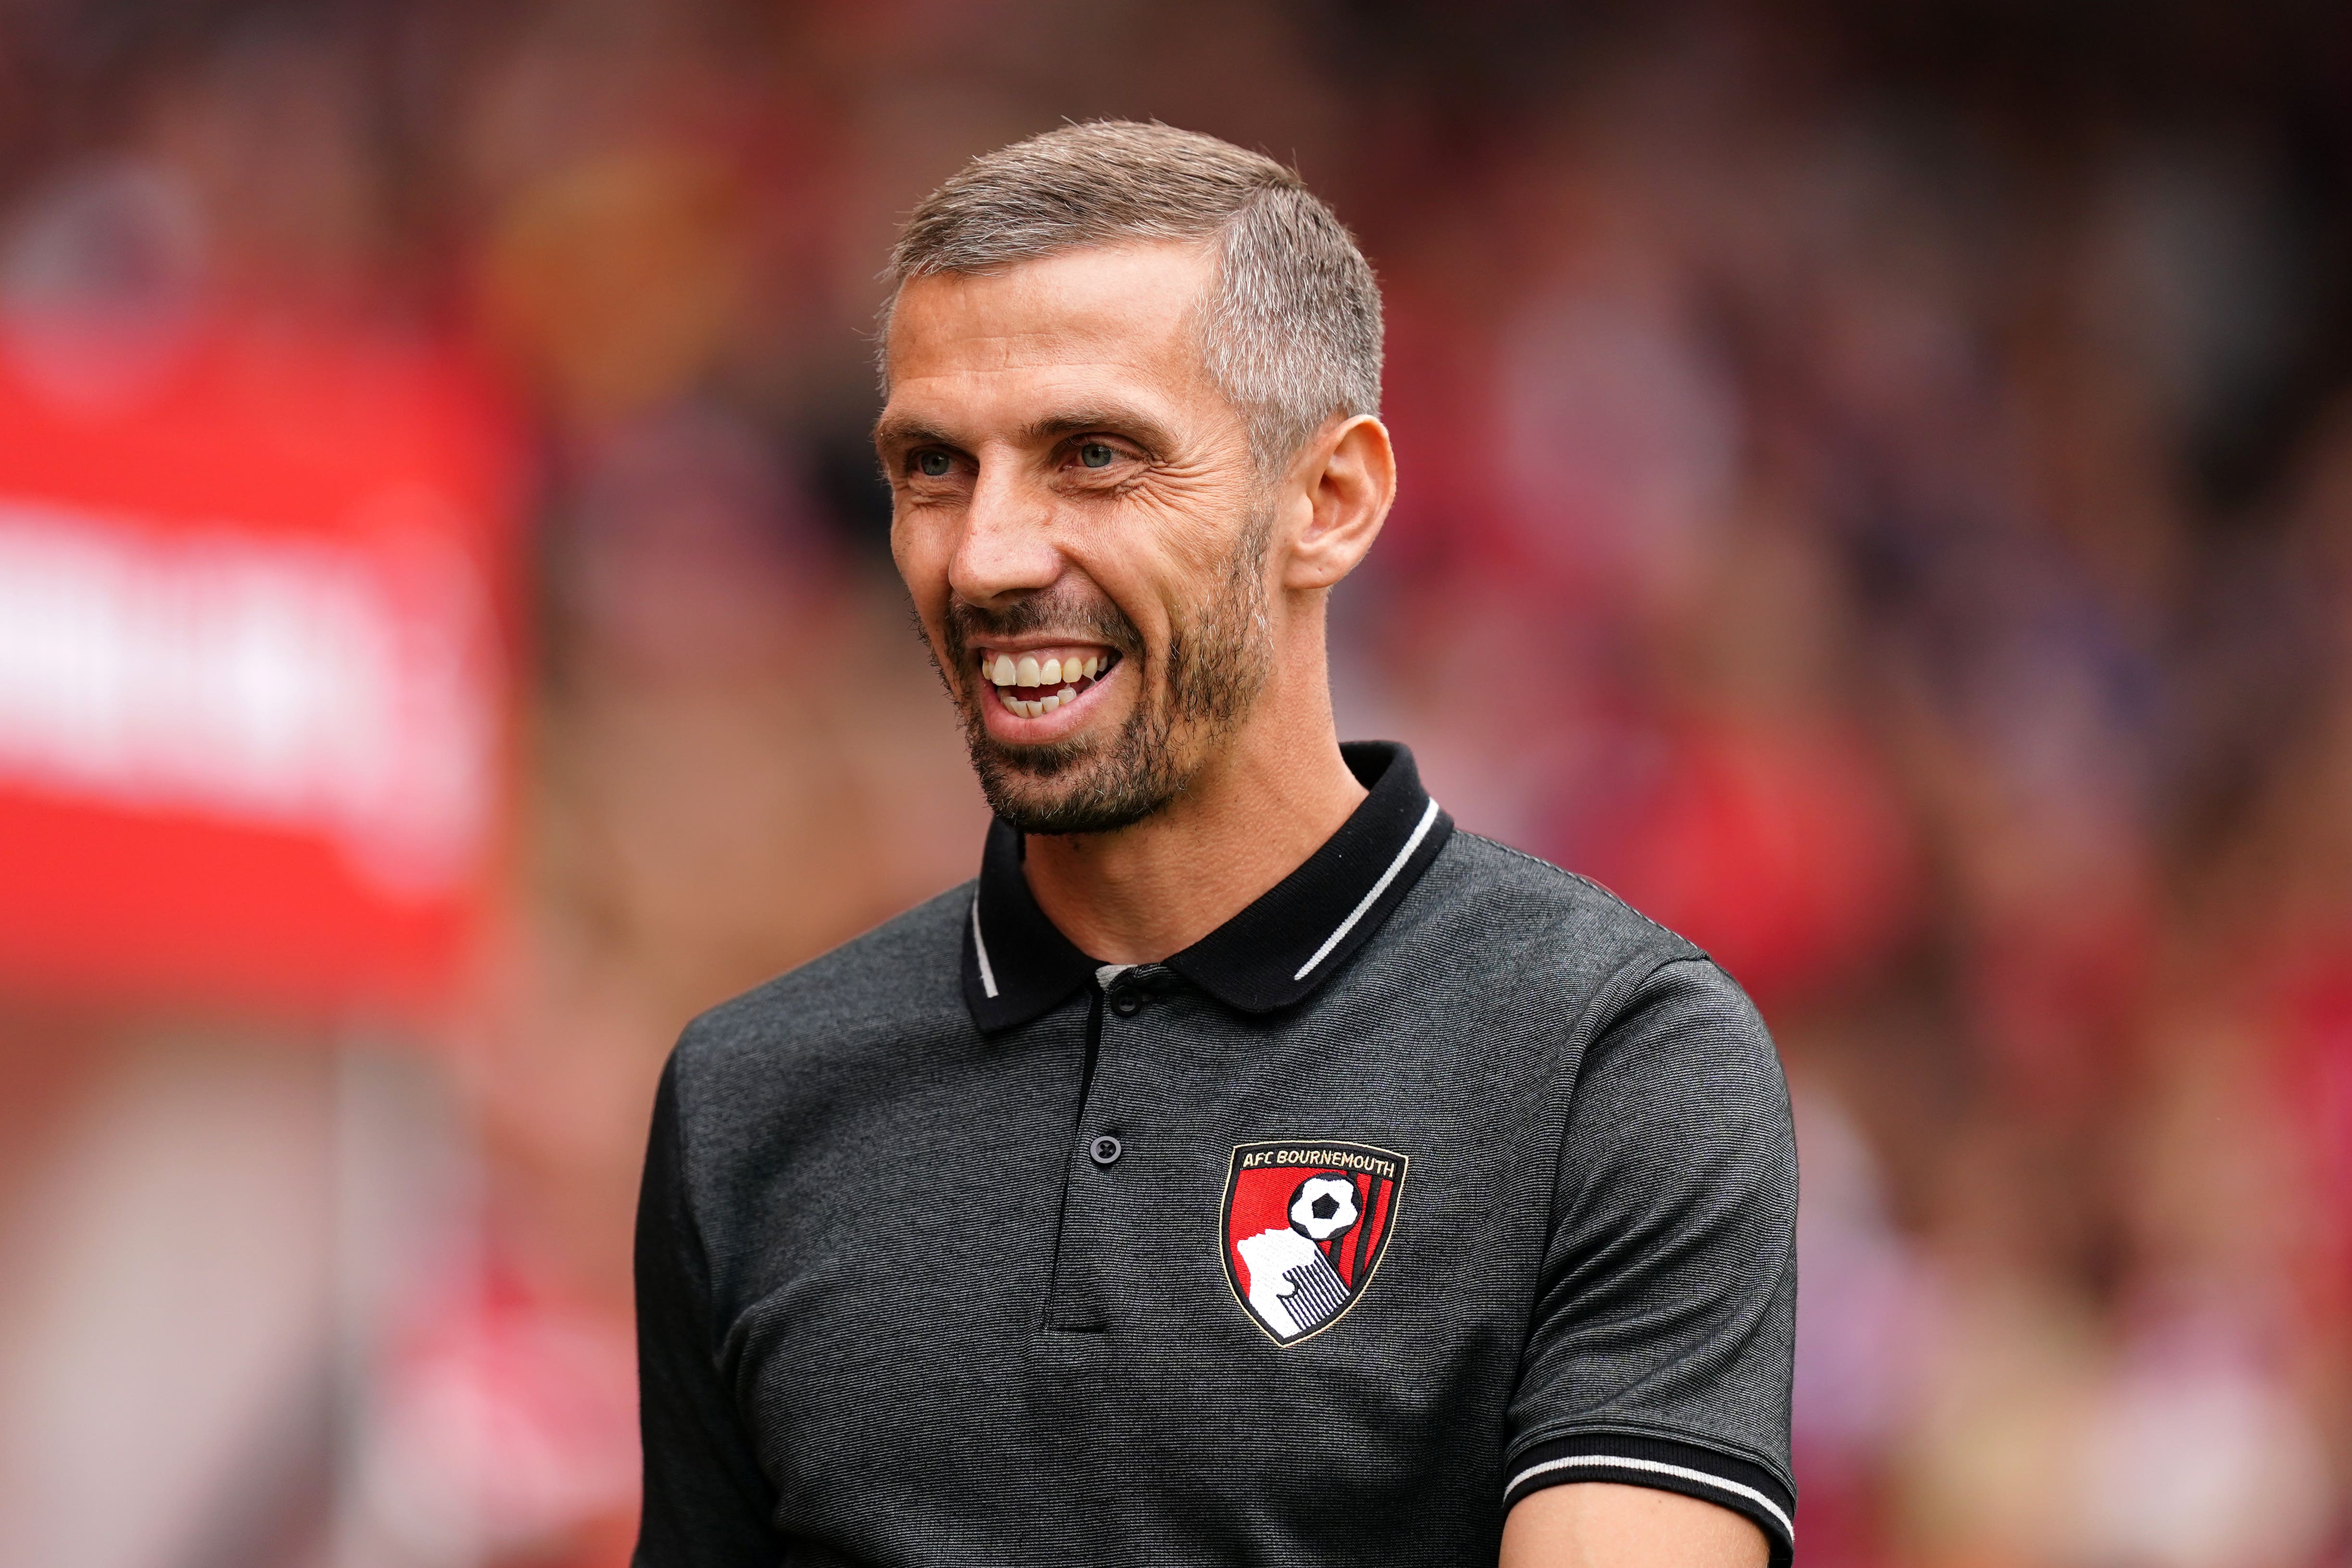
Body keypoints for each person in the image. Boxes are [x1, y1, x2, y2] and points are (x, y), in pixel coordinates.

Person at [632, 121, 1796, 1568]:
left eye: (1093, 455)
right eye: (934, 466)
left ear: (1330, 499)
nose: (987, 552)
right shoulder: (747, 1097)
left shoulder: (1611, 1058)